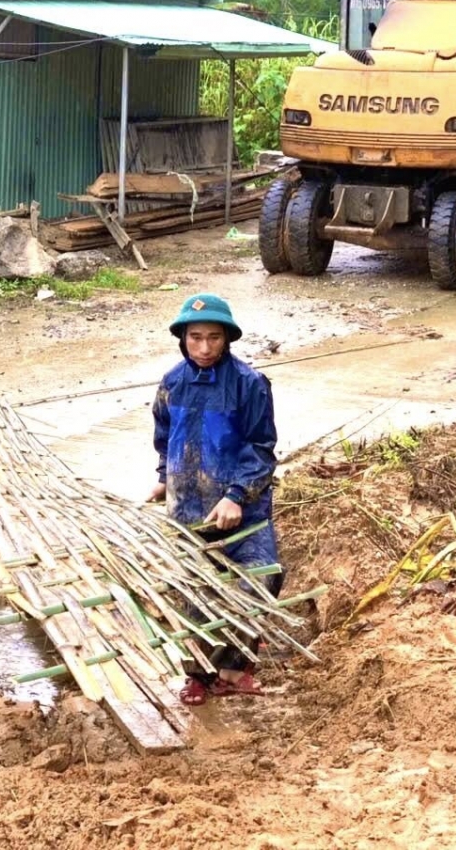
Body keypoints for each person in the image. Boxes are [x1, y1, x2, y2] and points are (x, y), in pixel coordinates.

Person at [147, 293, 282, 707]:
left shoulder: (249, 384)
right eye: (195, 338)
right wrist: (164, 479)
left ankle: (235, 670)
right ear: (182, 339)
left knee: (258, 580)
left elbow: (261, 448)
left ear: (227, 339)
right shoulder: (171, 383)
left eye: (213, 338)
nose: (204, 348)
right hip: (188, 511)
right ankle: (198, 676)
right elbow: (163, 438)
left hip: (243, 512)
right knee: (191, 594)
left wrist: (237, 496)